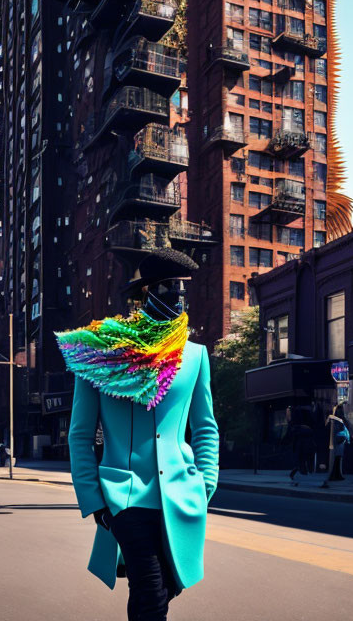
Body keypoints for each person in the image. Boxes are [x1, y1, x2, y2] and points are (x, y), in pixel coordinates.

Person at [56, 252, 218, 621]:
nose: (177, 298)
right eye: (167, 288)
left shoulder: (195, 356)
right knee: (150, 591)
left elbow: (206, 427)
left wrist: (206, 482)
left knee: (158, 589)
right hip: (123, 495)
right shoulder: (99, 354)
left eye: (182, 290)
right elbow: (80, 435)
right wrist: (93, 500)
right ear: (145, 293)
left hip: (180, 495)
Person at [326, 404, 350, 482]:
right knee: (336, 459)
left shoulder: (340, 419)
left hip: (340, 441)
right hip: (337, 441)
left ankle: (337, 474)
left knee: (338, 459)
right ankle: (335, 474)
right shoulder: (336, 420)